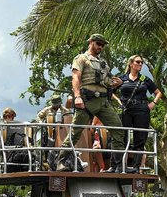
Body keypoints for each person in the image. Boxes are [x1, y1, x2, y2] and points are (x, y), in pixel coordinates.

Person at [56, 34, 132, 173]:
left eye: (103, 45)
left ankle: (117, 165)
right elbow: (76, 77)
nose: (100, 47)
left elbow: (108, 82)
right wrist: (77, 96)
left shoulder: (103, 63)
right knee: (75, 132)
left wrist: (116, 83)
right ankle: (61, 161)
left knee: (118, 129)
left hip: (103, 101)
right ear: (90, 42)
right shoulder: (81, 58)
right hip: (87, 101)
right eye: (98, 43)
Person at [116, 55, 163, 170]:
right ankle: (122, 166)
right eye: (138, 62)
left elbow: (158, 93)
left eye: (142, 62)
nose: (141, 64)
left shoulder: (144, 79)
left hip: (142, 110)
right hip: (127, 109)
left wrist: (153, 104)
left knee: (140, 139)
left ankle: (136, 167)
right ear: (131, 64)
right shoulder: (122, 78)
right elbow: (110, 90)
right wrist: (118, 101)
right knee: (123, 137)